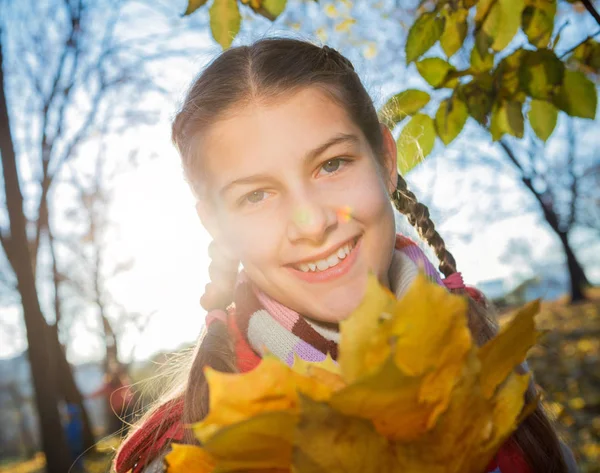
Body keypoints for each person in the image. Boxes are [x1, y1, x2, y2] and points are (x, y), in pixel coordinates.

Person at [114, 38, 577, 473]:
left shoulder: (487, 353)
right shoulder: (188, 450)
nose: (312, 222)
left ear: (386, 160)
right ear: (216, 225)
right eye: (256, 195)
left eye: (331, 164)